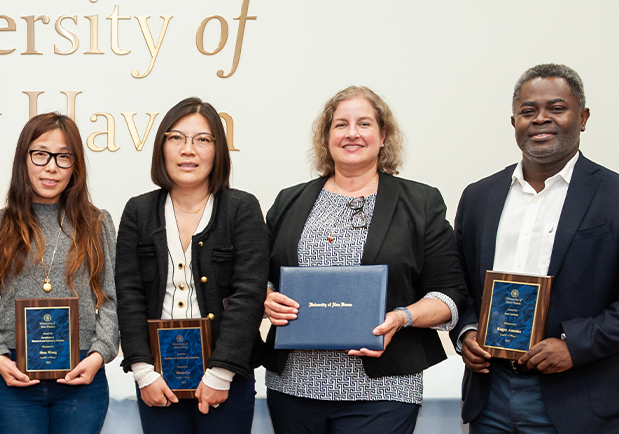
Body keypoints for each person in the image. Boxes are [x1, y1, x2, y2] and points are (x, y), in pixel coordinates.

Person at [263, 85, 468, 433]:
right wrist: (267, 298)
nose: (352, 133)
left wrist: (401, 318)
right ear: (327, 137)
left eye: (364, 124)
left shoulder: (420, 203)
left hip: (384, 389)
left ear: (383, 135)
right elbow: (258, 277)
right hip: (293, 389)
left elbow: (449, 295)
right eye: (341, 125)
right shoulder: (289, 201)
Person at [451, 64, 619, 434]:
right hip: (489, 395)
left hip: (579, 400)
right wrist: (466, 332)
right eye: (528, 111)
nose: (541, 119)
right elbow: (457, 283)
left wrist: (575, 345)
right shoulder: (479, 197)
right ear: (514, 122)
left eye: (557, 108)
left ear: (583, 118)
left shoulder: (613, 196)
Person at [115, 97, 268, 434]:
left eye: (202, 139)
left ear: (218, 150)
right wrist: (143, 372)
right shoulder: (138, 211)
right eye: (176, 138)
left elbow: (248, 294)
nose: (188, 149)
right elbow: (128, 295)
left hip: (227, 377)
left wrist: (220, 373)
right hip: (157, 380)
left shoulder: (241, 208)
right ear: (161, 148)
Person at [0, 113, 119, 434]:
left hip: (83, 375)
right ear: (23, 159)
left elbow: (111, 301)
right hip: (14, 376)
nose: (51, 167)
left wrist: (98, 355)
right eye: (40, 154)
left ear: (75, 166)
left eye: (63, 157)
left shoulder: (97, 223)